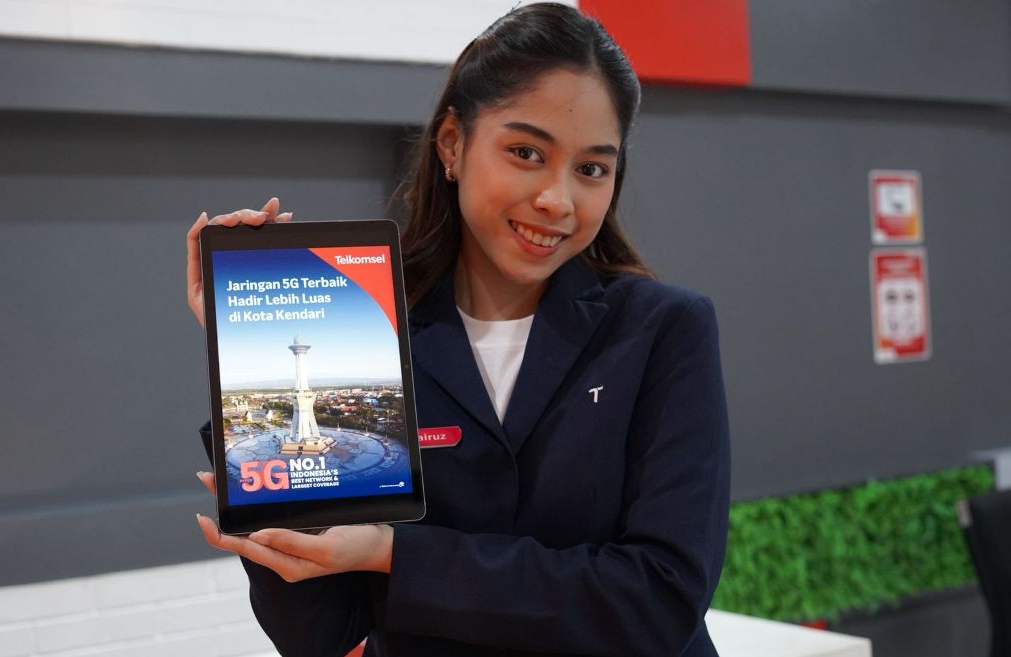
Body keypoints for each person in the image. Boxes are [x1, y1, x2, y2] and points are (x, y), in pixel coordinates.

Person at [185, 4, 730, 656]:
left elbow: (658, 600)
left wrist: (396, 553)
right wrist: (241, 354)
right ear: (452, 144)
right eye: (526, 152)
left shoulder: (661, 329)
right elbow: (321, 630)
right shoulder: (372, 336)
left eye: (591, 168)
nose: (558, 199)